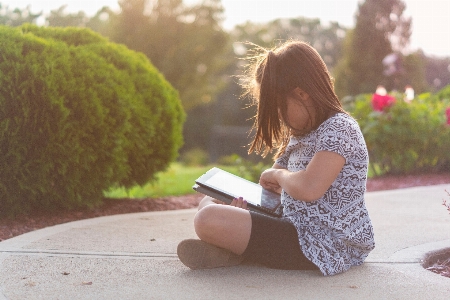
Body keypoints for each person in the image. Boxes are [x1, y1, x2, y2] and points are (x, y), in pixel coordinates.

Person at [177, 41, 375, 276]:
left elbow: (310, 187)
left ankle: (233, 251)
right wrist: (244, 204)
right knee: (209, 201)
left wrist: (279, 176)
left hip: (324, 243)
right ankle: (231, 249)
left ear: (302, 94)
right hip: (290, 223)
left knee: (207, 219)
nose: (280, 118)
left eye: (280, 109)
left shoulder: (339, 129)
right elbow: (271, 192)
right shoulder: (300, 135)